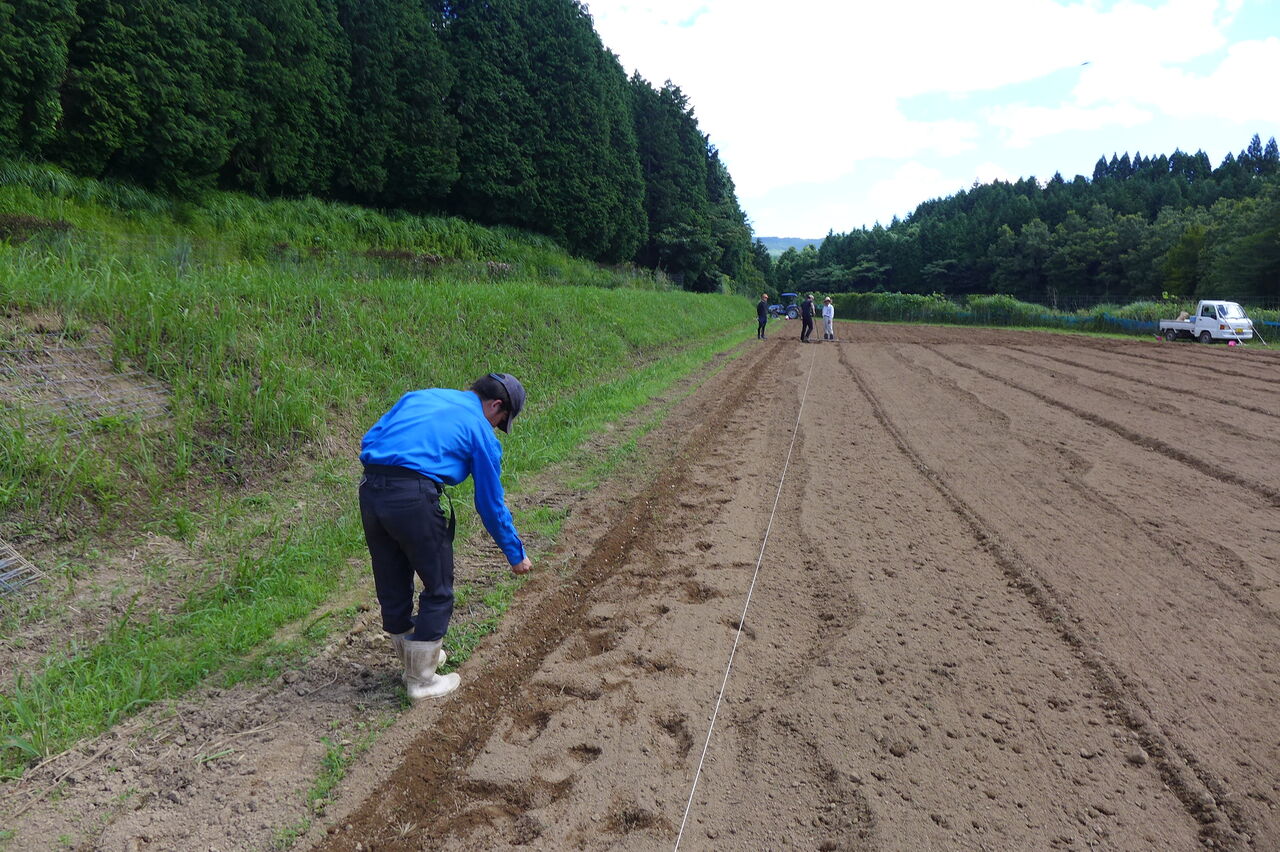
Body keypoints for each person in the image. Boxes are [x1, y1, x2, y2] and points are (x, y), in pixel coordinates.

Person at [358, 372, 533, 701]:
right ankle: (421, 681)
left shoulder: (420, 397)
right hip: (413, 497)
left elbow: (371, 439)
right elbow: (490, 503)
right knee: (438, 586)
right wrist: (515, 553)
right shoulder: (479, 429)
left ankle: (413, 661)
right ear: (496, 405)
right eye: (500, 421)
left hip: (370, 489)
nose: (496, 427)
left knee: (391, 578)